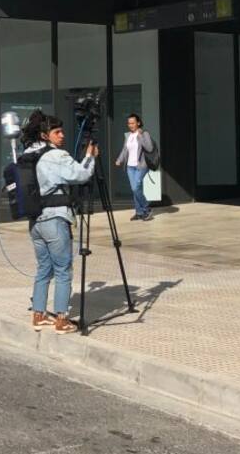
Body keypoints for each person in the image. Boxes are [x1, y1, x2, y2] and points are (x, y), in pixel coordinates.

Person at [22, 110, 97, 334]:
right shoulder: (55, 156)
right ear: (45, 135)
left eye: (62, 131)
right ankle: (62, 319)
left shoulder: (28, 153)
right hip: (55, 218)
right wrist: (90, 156)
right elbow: (82, 175)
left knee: (44, 267)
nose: (62, 135)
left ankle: (38, 314)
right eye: (57, 132)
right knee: (63, 270)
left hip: (35, 221)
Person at [114, 113, 155, 221]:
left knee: (135, 187)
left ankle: (147, 209)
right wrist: (119, 160)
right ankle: (139, 212)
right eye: (129, 123)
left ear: (138, 123)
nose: (130, 125)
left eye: (132, 123)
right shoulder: (128, 135)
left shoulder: (144, 133)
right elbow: (125, 150)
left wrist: (140, 136)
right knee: (135, 189)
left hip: (141, 166)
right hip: (129, 167)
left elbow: (150, 148)